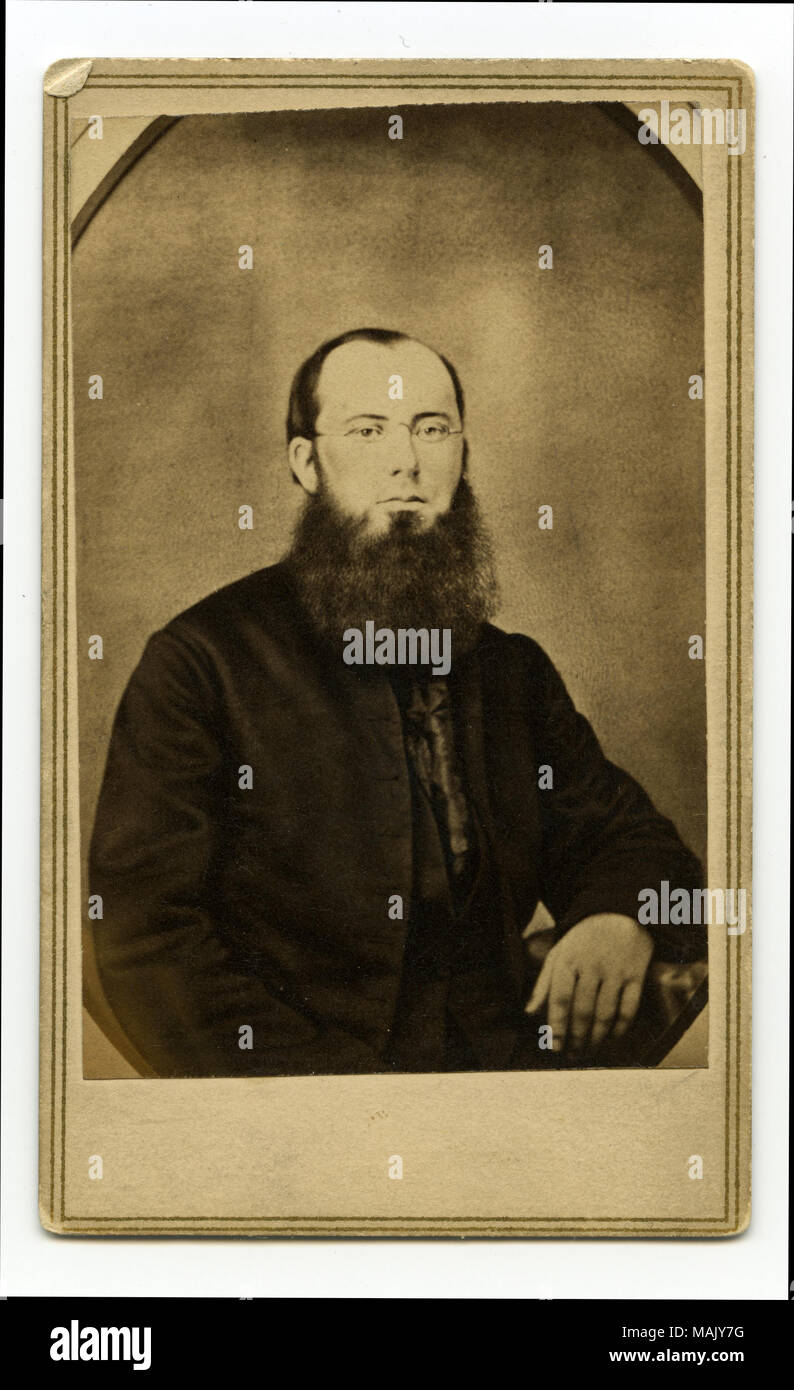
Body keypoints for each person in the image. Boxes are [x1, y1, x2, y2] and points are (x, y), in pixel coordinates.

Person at [88, 327, 705, 1078]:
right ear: (306, 463)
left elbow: (635, 844)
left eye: (432, 429)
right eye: (368, 430)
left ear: (463, 456)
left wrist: (618, 915)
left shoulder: (511, 671)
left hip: (505, 1082)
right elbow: (149, 940)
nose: (406, 461)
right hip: (297, 1095)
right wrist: (335, 1108)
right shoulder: (202, 663)